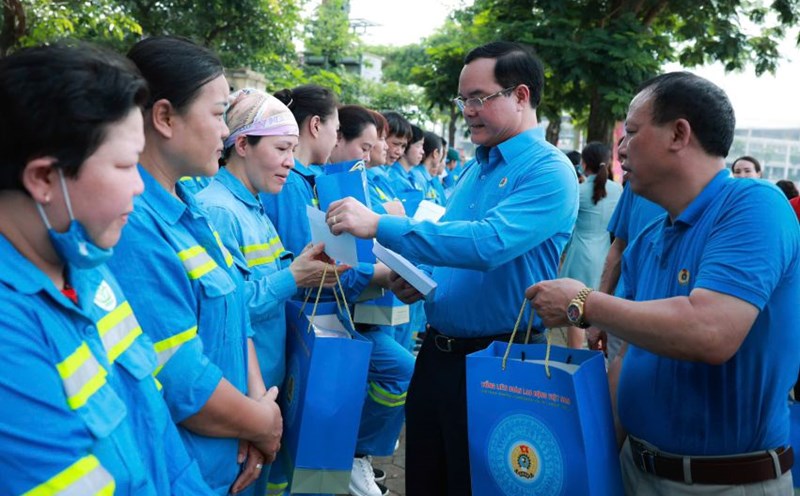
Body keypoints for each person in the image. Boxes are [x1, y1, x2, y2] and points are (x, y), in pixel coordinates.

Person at [528, 71, 800, 495]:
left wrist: (584, 301)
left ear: (678, 134)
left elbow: (711, 332)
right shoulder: (648, 241)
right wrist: (593, 467)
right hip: (636, 470)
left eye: (632, 132)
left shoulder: (755, 205)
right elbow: (626, 363)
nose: (620, 148)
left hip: (725, 482)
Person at [326, 41, 578, 495]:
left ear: (520, 96)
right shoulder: (476, 169)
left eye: (480, 98)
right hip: (440, 356)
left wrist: (379, 225)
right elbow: (449, 245)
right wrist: (421, 281)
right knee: (427, 476)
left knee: (476, 482)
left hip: (501, 358)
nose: (468, 110)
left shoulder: (548, 171)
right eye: (463, 100)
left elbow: (488, 243)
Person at [0, 42, 213, 495]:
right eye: (125, 165)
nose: (139, 186)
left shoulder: (86, 266)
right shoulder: (9, 330)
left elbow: (156, 428)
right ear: (42, 179)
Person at [108, 36, 282, 495]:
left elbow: (236, 315)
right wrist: (262, 423)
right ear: (165, 117)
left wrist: (259, 407)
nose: (227, 131)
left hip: (230, 454)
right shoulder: (131, 222)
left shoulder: (192, 206)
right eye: (218, 112)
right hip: (185, 469)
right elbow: (178, 375)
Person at [195, 89, 343, 496]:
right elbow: (223, 310)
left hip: (261, 392)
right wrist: (292, 277)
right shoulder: (219, 211)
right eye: (281, 148)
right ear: (241, 144)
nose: (290, 163)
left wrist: (303, 267)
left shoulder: (254, 206)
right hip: (237, 399)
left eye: (293, 150)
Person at [559, 142, 622, 348]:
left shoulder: (578, 191)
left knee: (575, 313)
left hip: (579, 256)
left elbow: (566, 226)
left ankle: (574, 362)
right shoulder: (618, 190)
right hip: (605, 255)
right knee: (597, 310)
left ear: (584, 164)